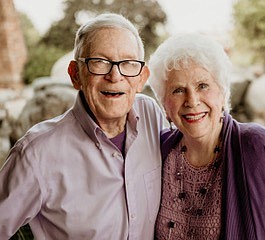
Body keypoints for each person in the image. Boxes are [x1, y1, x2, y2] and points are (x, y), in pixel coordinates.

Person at [0, 13, 164, 239]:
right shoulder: (36, 153)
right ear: (75, 75)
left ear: (141, 77)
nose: (115, 75)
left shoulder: (152, 116)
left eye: (127, 63)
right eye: (99, 62)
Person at [148, 33, 265, 240]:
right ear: (164, 104)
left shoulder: (253, 145)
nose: (192, 101)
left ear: (223, 92)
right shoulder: (161, 149)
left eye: (202, 85)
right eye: (178, 90)